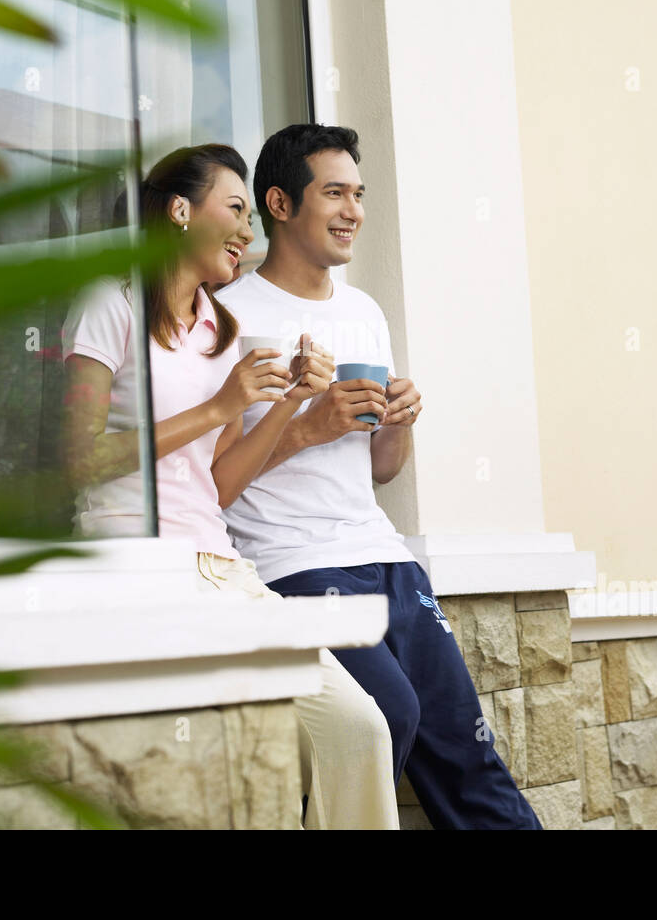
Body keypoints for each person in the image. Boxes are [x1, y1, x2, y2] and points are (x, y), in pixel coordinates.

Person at [60, 143, 398, 830]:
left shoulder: (222, 329)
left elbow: (215, 486)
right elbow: (76, 459)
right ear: (180, 212)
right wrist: (218, 408)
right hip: (135, 565)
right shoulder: (111, 302)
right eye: (235, 210)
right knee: (223, 770)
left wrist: (288, 403)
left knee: (358, 728)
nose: (248, 232)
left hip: (221, 570)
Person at [216, 124, 542, 830]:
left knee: (465, 748)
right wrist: (308, 424)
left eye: (358, 194)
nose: (353, 210)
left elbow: (382, 469)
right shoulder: (231, 315)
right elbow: (211, 480)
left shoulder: (363, 311)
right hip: (292, 563)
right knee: (385, 721)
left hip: (385, 556)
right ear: (278, 202)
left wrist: (399, 419)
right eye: (333, 192)